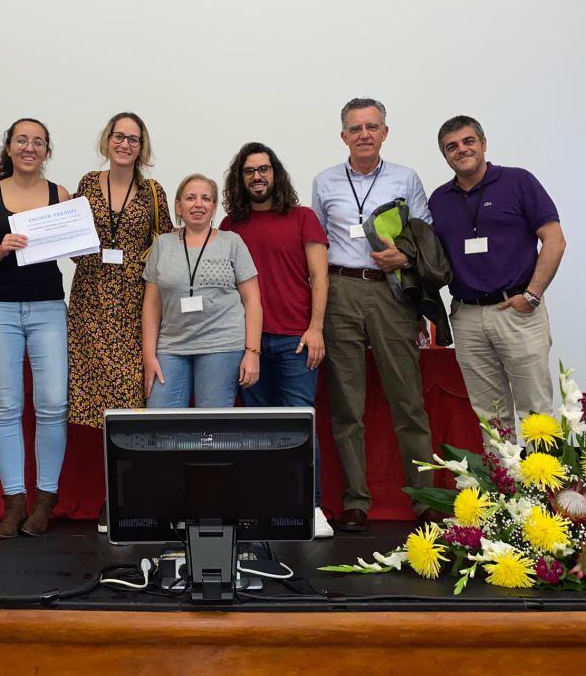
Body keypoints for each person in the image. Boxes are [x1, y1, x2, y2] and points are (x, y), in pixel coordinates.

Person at [311, 97, 438, 532]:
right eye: (355, 128)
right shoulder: (324, 182)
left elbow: (425, 235)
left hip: (390, 291)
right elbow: (317, 246)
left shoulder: (406, 178)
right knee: (347, 404)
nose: (364, 134)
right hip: (341, 289)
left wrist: (404, 256)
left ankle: (425, 498)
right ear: (343, 135)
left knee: (409, 400)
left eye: (372, 126)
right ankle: (356, 501)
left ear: (385, 132)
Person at [219, 143, 334, 539]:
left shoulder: (303, 218)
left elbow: (320, 277)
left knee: (299, 425)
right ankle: (266, 507)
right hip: (247, 344)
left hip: (295, 341)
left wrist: (315, 328)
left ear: (276, 173)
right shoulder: (231, 227)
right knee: (257, 431)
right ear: (240, 179)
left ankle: (311, 506)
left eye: (264, 169)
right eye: (249, 171)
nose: (257, 176)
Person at [429, 115, 566, 427]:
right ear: (445, 155)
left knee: (536, 412)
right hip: (466, 316)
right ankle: (501, 478)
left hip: (517, 311)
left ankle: (540, 477)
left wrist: (531, 296)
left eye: (468, 141)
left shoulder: (518, 182)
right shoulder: (439, 200)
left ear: (483, 143)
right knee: (490, 417)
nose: (461, 150)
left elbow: (555, 240)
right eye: (451, 146)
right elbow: (432, 259)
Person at [0, 118, 71, 539]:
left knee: (52, 405)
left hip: (49, 308)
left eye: (38, 141)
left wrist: (83, 241)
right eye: (21, 140)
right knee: (5, 408)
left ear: (47, 149)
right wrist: (1, 248)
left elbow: (77, 252)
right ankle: (13, 502)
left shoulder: (60, 194)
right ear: (9, 147)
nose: (29, 147)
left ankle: (45, 500)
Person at [68, 112, 174, 425]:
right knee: (92, 396)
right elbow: (76, 241)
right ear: (107, 140)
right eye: (118, 136)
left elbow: (166, 243)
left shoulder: (153, 191)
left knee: (131, 398)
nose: (124, 144)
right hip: (89, 305)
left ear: (142, 147)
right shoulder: (87, 183)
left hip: (133, 307)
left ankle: (130, 466)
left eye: (132, 139)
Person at [142, 174, 261, 408]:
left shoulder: (232, 242)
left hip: (222, 344)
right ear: (178, 206)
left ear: (214, 207)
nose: (198, 204)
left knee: (211, 428)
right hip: (171, 346)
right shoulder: (163, 244)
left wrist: (253, 352)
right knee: (159, 423)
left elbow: (253, 301)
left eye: (206, 198)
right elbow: (152, 305)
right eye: (190, 198)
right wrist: (149, 356)